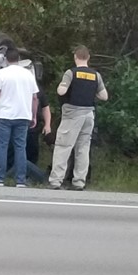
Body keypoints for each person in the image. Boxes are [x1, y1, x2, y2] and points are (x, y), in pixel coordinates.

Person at [48, 45, 107, 190]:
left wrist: (62, 87)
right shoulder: (95, 75)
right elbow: (104, 96)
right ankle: (79, 182)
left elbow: (61, 91)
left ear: (75, 57)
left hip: (72, 114)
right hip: (89, 115)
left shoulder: (71, 73)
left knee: (63, 146)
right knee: (83, 149)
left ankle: (56, 181)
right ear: (88, 58)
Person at [0, 48, 39, 187]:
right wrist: (33, 116)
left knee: (2, 146)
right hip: (23, 115)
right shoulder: (28, 75)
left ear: (6, 59)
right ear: (19, 58)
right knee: (20, 147)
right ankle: (20, 180)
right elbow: (34, 98)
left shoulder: (2, 74)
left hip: (4, 115)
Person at [6, 74, 51, 183]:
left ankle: (30, 176)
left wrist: (47, 124)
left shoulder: (37, 87)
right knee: (14, 152)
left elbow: (45, 107)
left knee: (31, 153)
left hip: (32, 127)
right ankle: (15, 175)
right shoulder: (14, 86)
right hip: (18, 124)